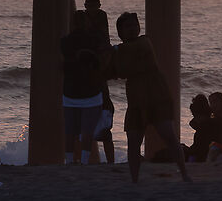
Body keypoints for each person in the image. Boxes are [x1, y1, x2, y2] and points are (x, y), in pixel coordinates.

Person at [109, 12, 189, 182]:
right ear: (120, 31)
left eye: (134, 25)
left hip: (157, 96)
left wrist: (113, 50)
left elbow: (130, 53)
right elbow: (119, 72)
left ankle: (184, 174)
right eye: (128, 27)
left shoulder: (144, 41)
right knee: (133, 142)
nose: (132, 29)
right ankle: (134, 180)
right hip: (137, 100)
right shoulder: (121, 51)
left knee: (169, 136)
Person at [60, 21, 109, 163]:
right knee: (87, 131)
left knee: (70, 131)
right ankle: (84, 161)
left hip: (70, 94)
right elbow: (102, 73)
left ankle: (69, 161)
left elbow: (60, 67)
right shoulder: (95, 45)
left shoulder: (65, 44)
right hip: (91, 94)